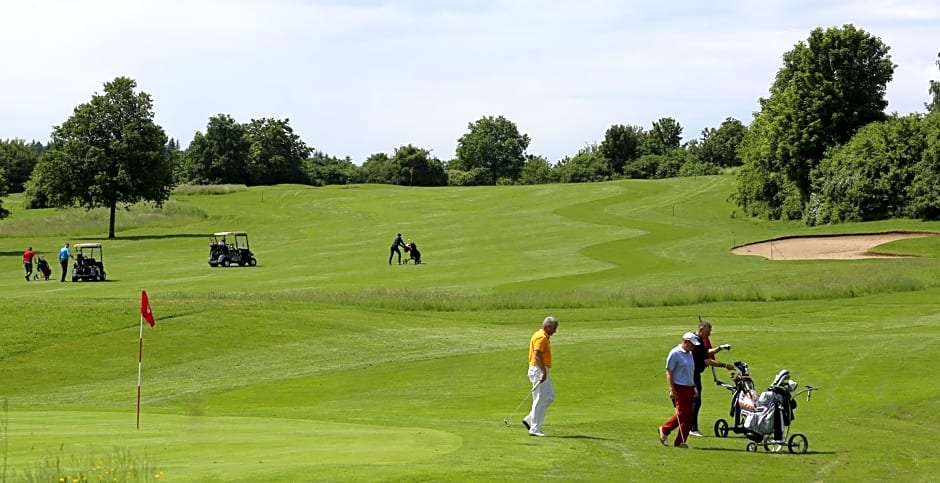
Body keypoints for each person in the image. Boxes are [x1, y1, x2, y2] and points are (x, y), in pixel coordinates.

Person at [689, 319, 735, 437]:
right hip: (692, 374)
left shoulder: (698, 340)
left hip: (694, 373)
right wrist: (725, 365)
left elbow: (707, 352)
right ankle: (692, 428)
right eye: (708, 332)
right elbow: (708, 361)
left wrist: (721, 347)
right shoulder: (696, 343)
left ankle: (689, 426)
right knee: (696, 400)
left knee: (695, 401)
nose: (709, 335)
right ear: (701, 330)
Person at [658, 332, 698, 448]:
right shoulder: (675, 353)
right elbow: (669, 372)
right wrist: (671, 389)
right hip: (679, 388)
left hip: (689, 387)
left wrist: (694, 387)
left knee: (689, 417)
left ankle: (680, 442)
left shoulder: (689, 353)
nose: (694, 347)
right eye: (692, 344)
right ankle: (665, 429)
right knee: (683, 414)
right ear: (685, 342)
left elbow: (689, 372)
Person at [522, 316, 558, 437]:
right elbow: (537, 355)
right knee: (539, 399)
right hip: (538, 369)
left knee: (549, 396)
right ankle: (535, 428)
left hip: (540, 369)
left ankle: (530, 419)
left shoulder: (541, 336)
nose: (555, 331)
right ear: (547, 326)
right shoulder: (541, 337)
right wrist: (543, 372)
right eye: (554, 328)